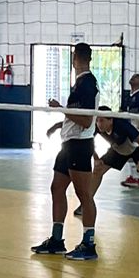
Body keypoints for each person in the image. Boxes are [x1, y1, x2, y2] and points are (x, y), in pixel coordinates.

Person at [33, 42, 100, 260]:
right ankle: (56, 240)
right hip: (68, 144)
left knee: (84, 194)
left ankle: (89, 244)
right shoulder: (79, 83)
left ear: (75, 59)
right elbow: (76, 116)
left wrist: (59, 109)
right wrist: (58, 124)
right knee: (57, 187)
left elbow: (85, 120)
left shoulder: (87, 84)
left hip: (80, 144)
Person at [79, 107, 139, 223]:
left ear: (111, 120)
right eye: (97, 120)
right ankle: (86, 204)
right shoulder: (96, 127)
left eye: (102, 120)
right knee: (98, 169)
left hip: (135, 148)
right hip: (118, 149)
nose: (99, 123)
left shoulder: (122, 125)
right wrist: (96, 158)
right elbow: (88, 140)